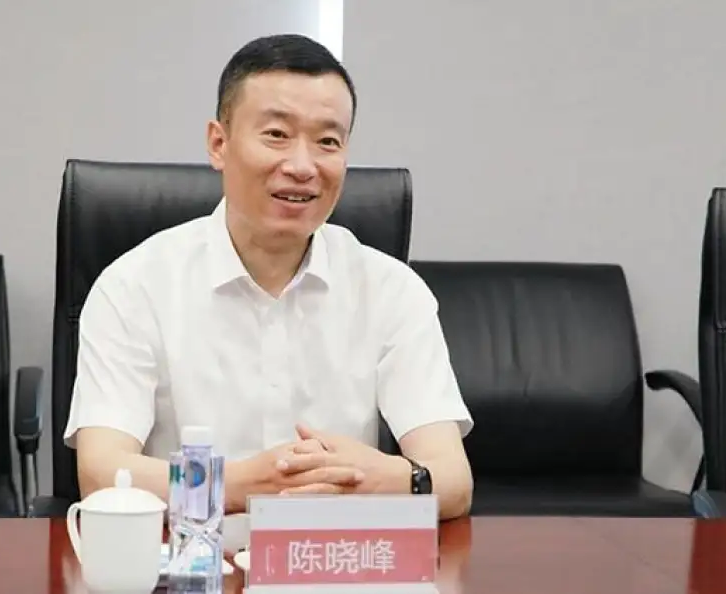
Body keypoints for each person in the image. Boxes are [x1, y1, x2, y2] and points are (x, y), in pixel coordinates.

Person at [64, 33, 474, 519]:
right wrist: (239, 485)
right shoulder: (135, 286)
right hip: (192, 554)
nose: (302, 166)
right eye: (277, 135)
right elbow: (103, 474)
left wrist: (380, 478)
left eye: (328, 141)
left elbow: (453, 480)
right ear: (219, 144)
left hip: (331, 553)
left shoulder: (390, 290)